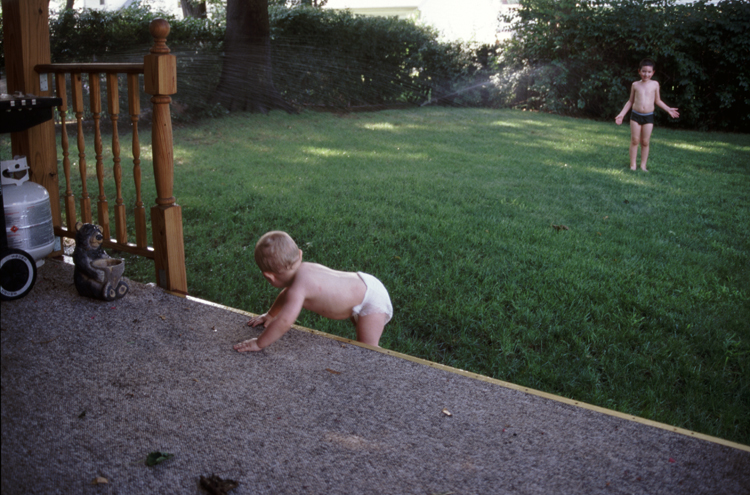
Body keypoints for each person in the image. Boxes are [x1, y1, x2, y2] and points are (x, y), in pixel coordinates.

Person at [234, 231, 393, 352]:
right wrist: (270, 315)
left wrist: (259, 343)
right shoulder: (304, 270)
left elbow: (284, 322)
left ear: (269, 277)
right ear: (300, 255)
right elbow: (285, 295)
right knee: (361, 340)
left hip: (371, 301)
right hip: (363, 282)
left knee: (368, 350)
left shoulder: (299, 288)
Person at [615, 59, 679, 171]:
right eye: (644, 71)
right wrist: (621, 114)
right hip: (635, 115)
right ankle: (633, 165)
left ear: (653, 72)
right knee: (634, 140)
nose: (646, 74)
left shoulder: (655, 84)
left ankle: (643, 165)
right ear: (639, 71)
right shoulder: (635, 85)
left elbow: (658, 101)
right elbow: (630, 101)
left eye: (649, 72)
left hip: (648, 116)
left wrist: (668, 109)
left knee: (645, 142)